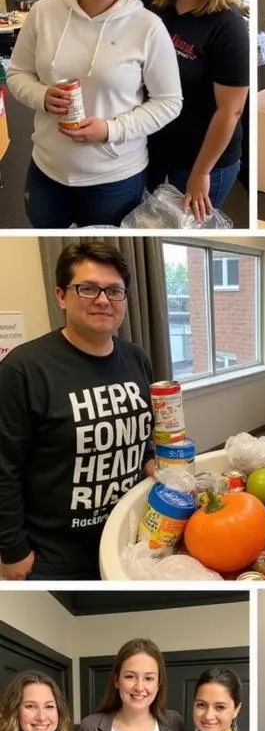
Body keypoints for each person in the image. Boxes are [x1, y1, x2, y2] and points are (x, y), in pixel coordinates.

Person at [6, 0, 182, 228]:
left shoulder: (148, 26)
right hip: (48, 170)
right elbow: (17, 73)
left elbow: (169, 102)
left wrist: (111, 129)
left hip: (114, 176)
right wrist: (42, 97)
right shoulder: (43, 13)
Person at [0, 243, 157, 581]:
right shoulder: (23, 369)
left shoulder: (137, 359)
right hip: (56, 557)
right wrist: (12, 549)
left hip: (130, 538)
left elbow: (143, 438)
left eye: (114, 290)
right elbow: (3, 467)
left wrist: (150, 460)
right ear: (61, 296)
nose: (103, 299)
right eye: (87, 288)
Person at [140, 0, 249, 222]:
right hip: (152, 144)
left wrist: (201, 171)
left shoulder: (228, 25)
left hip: (203, 158)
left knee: (184, 227)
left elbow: (230, 111)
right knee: (143, 221)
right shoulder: (149, 2)